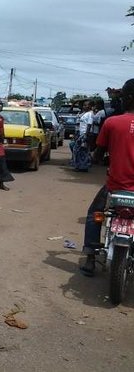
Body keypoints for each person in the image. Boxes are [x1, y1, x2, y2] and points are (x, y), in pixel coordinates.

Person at [80, 79, 134, 276]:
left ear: (125, 98)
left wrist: (98, 158)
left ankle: (90, 258)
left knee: (94, 214)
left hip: (115, 186)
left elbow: (97, 154)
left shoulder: (112, 123)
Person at [70, 100, 94, 172]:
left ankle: (82, 166)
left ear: (90, 106)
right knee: (80, 150)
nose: (84, 106)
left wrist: (86, 135)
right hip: (81, 133)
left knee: (79, 150)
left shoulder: (90, 114)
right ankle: (81, 166)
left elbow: (89, 125)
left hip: (85, 134)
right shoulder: (85, 114)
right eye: (84, 105)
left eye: (86, 105)